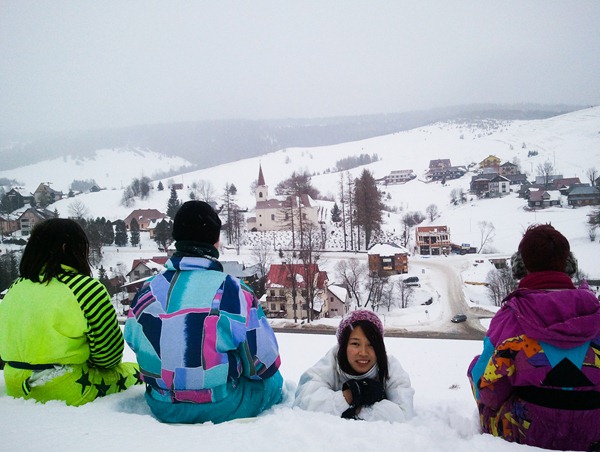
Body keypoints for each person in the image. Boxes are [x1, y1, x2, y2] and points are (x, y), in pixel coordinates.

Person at [125, 200, 283, 424]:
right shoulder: (235, 292)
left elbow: (132, 340)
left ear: (177, 238)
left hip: (162, 405)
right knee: (273, 382)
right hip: (221, 406)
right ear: (216, 241)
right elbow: (264, 364)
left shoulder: (146, 291)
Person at [468, 224, 600, 451]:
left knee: (476, 370)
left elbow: (488, 391)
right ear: (569, 265)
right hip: (594, 432)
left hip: (527, 434)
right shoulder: (595, 312)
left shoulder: (510, 316)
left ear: (521, 266)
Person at [0, 218, 141, 406]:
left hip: (15, 384)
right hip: (65, 386)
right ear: (67, 249)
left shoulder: (15, 288)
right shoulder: (85, 289)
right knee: (139, 372)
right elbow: (109, 357)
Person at [294, 309, 414, 422]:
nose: (363, 353)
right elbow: (303, 402)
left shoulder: (390, 367)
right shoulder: (331, 362)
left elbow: (403, 414)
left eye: (371, 344)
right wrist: (351, 395)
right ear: (344, 345)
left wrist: (356, 410)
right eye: (355, 344)